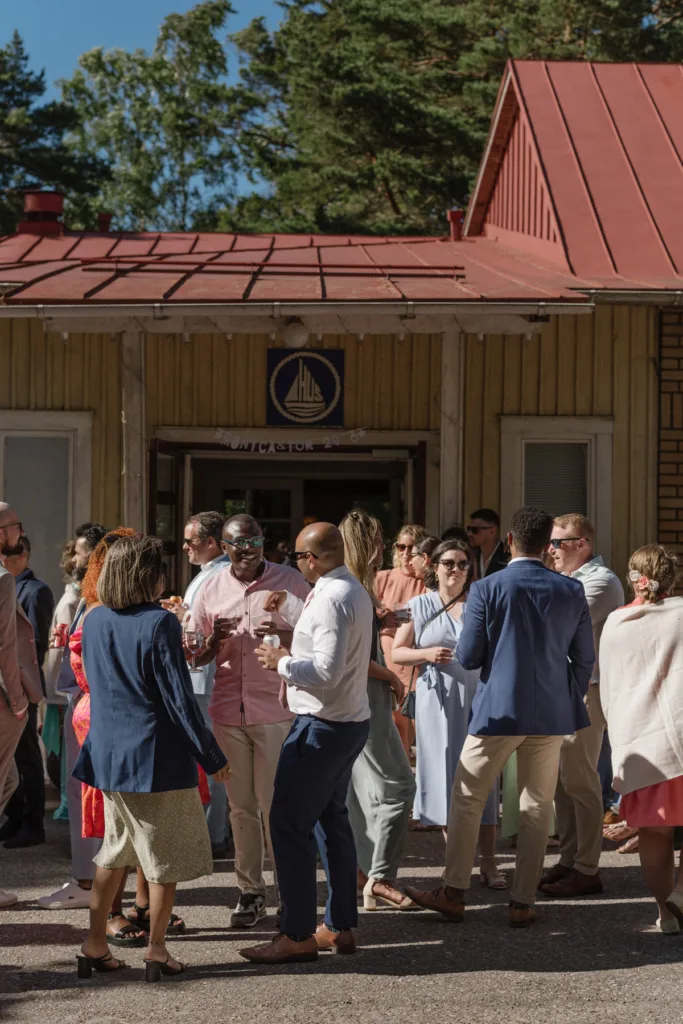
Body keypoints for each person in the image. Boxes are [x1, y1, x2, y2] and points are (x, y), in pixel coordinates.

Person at [405, 506, 594, 929]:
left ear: (509, 540)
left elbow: (469, 656)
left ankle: (454, 890)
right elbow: (584, 658)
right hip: (550, 711)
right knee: (536, 805)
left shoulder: (489, 587)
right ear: (548, 545)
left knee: (467, 797)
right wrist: (566, 696)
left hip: (496, 711)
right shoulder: (570, 590)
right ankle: (522, 901)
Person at [74, 535, 229, 981]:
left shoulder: (98, 617)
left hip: (107, 753)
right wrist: (210, 754)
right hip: (154, 756)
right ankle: (156, 949)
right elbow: (179, 700)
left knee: (114, 851)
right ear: (147, 575)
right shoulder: (159, 622)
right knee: (162, 860)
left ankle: (95, 942)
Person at [240, 522, 372, 965]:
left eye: (296, 556)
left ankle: (296, 934)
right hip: (344, 722)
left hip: (323, 723)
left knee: (288, 825)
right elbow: (325, 635)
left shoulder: (335, 596)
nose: (293, 563)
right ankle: (338, 925)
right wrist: (293, 609)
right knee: (329, 820)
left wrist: (281, 662)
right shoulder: (346, 588)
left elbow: (326, 670)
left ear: (312, 559)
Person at [187, 513, 310, 927]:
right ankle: (250, 892)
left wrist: (283, 633)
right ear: (223, 548)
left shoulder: (290, 581)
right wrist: (214, 641)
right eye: (238, 545)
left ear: (263, 542)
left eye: (253, 542)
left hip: (275, 708)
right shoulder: (210, 587)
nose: (246, 551)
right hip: (226, 710)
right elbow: (196, 656)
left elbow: (318, 639)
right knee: (240, 808)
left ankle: (290, 893)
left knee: (275, 806)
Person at [393, 539, 506, 889]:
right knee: (444, 778)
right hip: (436, 699)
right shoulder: (420, 604)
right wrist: (426, 654)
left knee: (483, 776)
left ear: (470, 569)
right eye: (448, 563)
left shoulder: (480, 601)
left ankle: (489, 862)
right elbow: (397, 653)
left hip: (477, 694)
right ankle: (457, 863)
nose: (454, 569)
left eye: (461, 564)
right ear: (435, 567)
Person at [539, 514, 624, 898]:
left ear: (583, 544)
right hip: (563, 688)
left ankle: (588, 867)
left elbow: (555, 620)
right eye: (550, 543)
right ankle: (569, 858)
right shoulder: (568, 580)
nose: (551, 550)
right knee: (561, 780)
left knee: (581, 777)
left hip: (587, 690)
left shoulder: (601, 581)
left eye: (558, 543)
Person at [600, 545, 683, 934]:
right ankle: (681, 893)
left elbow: (610, 686)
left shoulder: (615, 624)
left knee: (654, 833)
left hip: (641, 744)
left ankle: (667, 913)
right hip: (679, 737)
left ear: (633, 577)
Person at [340, 509, 416, 911]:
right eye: (380, 541)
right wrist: (389, 676)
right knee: (400, 786)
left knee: (361, 792)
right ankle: (380, 877)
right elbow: (350, 655)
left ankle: (365, 873)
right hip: (365, 695)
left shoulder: (353, 585)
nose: (384, 549)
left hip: (357, 698)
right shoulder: (353, 587)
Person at [37, 522, 108, 911]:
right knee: (82, 796)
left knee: (87, 796)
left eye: (80, 552)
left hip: (86, 705)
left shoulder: (98, 597)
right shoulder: (85, 596)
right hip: (77, 700)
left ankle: (87, 881)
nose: (73, 558)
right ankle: (86, 877)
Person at [161, 511, 231, 858]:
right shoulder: (209, 574)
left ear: (212, 543)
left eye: (191, 541)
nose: (185, 547)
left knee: (212, 753)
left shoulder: (216, 576)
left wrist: (178, 617)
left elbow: (205, 627)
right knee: (212, 751)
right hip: (202, 673)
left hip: (205, 676)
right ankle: (216, 829)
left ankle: (214, 832)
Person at [0, 503, 42, 908]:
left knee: (9, 782)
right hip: (1, 699)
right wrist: (18, 703)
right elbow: (5, 647)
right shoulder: (2, 579)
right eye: (15, 527)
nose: (19, 533)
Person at [0, 535, 54, 848]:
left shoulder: (36, 590)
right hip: (5, 684)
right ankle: (15, 818)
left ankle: (34, 823)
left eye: (18, 551)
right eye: (7, 552)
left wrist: (21, 688)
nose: (12, 557)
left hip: (21, 686)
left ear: (28, 554)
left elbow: (35, 643)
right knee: (9, 762)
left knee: (28, 758)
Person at [376, 524, 426, 755]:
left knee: (420, 724)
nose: (405, 553)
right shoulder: (384, 577)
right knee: (396, 724)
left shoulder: (428, 582)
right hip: (388, 658)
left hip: (416, 659)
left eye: (411, 548)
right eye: (401, 547)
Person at [466, 509, 509, 579]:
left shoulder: (506, 558)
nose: (469, 534)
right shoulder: (469, 556)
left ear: (492, 532)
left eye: (474, 530)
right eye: (468, 529)